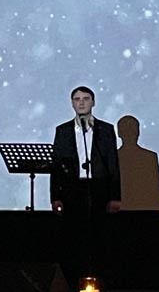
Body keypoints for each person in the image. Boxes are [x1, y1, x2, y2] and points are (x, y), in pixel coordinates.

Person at [50, 85, 121, 217]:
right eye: (77, 99)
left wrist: (115, 196)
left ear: (93, 102)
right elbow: (57, 167)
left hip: (99, 188)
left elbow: (113, 164)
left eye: (86, 99)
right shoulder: (63, 131)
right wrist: (55, 197)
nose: (81, 103)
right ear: (72, 104)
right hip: (72, 189)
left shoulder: (105, 129)